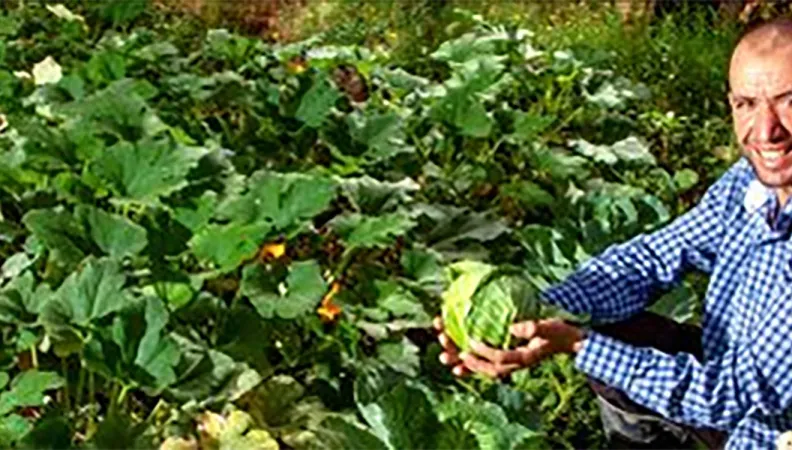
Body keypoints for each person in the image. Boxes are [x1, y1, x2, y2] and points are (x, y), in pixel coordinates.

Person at [435, 17, 792, 450]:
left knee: (610, 352)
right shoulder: (746, 185)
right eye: (747, 104)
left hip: (766, 428)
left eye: (788, 101)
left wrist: (580, 345)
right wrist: (539, 315)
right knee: (619, 328)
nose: (767, 129)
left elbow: (727, 397)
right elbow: (654, 257)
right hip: (729, 379)